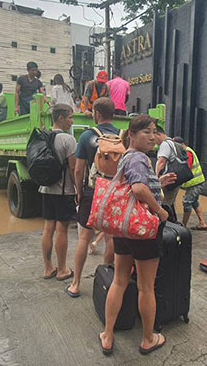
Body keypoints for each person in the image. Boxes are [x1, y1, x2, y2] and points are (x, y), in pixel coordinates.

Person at [99, 115, 174, 356]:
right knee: (145, 287)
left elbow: (140, 186)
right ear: (132, 135)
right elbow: (138, 188)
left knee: (119, 281)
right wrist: (161, 211)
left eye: (154, 132)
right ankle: (148, 339)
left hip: (125, 226)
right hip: (143, 229)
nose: (152, 137)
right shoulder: (139, 158)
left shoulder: (127, 158)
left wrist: (157, 182)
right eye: (146, 133)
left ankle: (108, 335)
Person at [66, 98, 118, 298]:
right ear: (113, 113)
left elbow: (79, 169)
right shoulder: (121, 136)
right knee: (111, 237)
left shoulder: (87, 136)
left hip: (92, 192)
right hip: (113, 192)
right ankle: (106, 278)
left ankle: (76, 283)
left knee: (84, 238)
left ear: (96, 113)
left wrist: (79, 192)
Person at [39, 103, 77, 281]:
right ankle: (62, 269)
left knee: (48, 228)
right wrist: (77, 189)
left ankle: (48, 268)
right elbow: (73, 169)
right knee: (62, 229)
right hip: (63, 191)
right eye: (70, 117)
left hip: (45, 189)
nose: (72, 121)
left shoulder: (43, 137)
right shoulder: (68, 140)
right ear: (60, 118)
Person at [173, 137, 207, 230]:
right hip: (195, 182)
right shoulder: (187, 151)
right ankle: (202, 223)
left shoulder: (187, 152)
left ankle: (183, 225)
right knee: (194, 202)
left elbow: (186, 167)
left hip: (195, 182)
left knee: (187, 202)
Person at [155, 127, 182, 221]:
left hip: (167, 179)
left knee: (165, 204)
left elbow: (161, 162)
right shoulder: (173, 143)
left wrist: (156, 178)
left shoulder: (165, 145)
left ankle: (169, 228)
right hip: (175, 179)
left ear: (158, 134)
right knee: (170, 204)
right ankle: (174, 225)